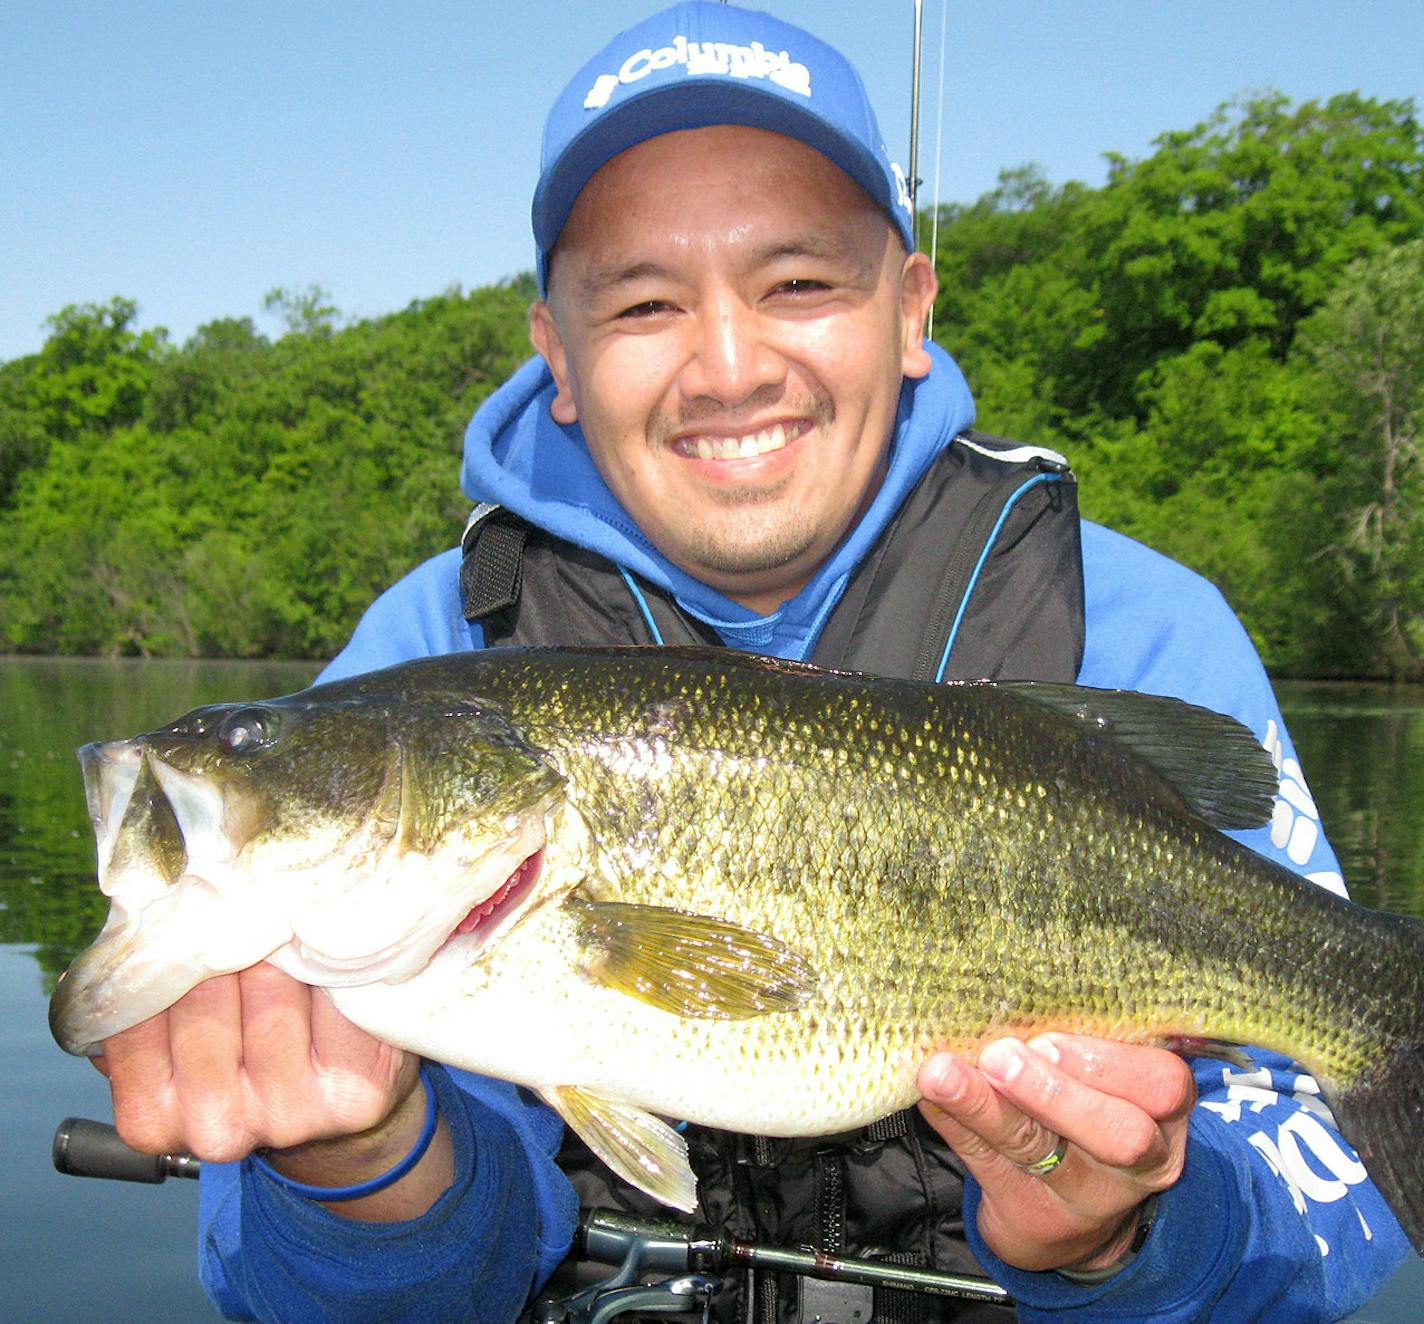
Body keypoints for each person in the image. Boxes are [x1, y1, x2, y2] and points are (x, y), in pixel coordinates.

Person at [94, 4, 1411, 1321]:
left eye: (799, 285)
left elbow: (1332, 1219)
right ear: (556, 352)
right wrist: (363, 1168)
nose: (728, 365)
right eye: (645, 301)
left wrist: (1128, 1248)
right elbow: (311, 1292)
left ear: (912, 308)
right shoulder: (433, 651)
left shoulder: (1134, 628)